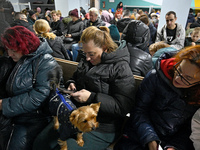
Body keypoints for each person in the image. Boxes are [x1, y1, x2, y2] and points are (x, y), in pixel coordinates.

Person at [33, 26, 135, 150]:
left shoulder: (121, 68)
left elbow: (122, 106)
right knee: (39, 144)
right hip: (75, 115)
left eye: (91, 54)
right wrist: (71, 82)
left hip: (100, 126)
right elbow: (75, 76)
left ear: (104, 48)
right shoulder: (87, 60)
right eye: (85, 53)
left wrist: (91, 97)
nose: (87, 58)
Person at [114, 45, 200, 150]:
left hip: (170, 141)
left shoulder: (197, 97)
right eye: (179, 69)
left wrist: (174, 146)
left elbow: (189, 129)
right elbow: (139, 110)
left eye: (187, 78)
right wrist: (150, 138)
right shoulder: (156, 77)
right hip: (139, 135)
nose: (178, 77)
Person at [0, 26, 60, 150]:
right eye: (8, 50)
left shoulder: (46, 62)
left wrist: (4, 105)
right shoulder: (12, 60)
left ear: (24, 47)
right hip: (11, 113)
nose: (10, 54)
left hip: (32, 117)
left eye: (13, 50)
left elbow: (39, 96)